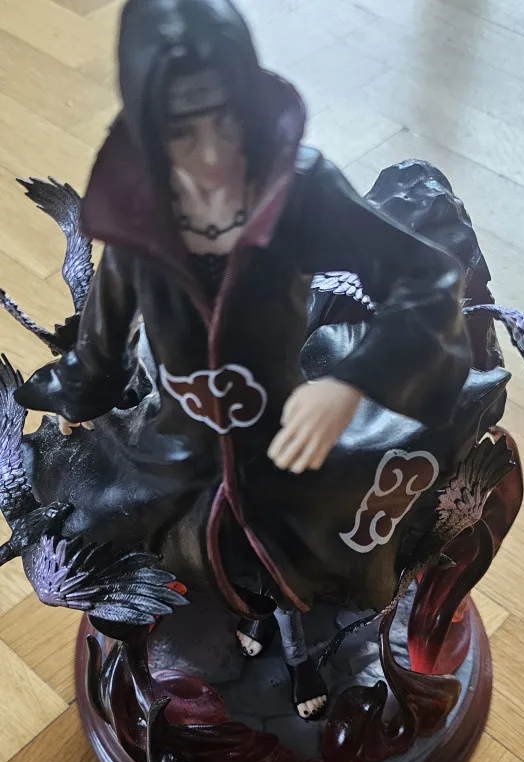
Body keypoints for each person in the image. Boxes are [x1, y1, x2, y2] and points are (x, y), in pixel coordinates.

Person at [16, 0, 471, 719]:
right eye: (180, 130)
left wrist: (353, 383)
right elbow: (100, 350)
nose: (210, 154)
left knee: (336, 540)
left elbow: (427, 279)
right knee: (98, 535)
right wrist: (64, 389)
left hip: (288, 433)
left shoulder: (299, 188)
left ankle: (329, 638)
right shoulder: (135, 213)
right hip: (171, 445)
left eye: (225, 120)